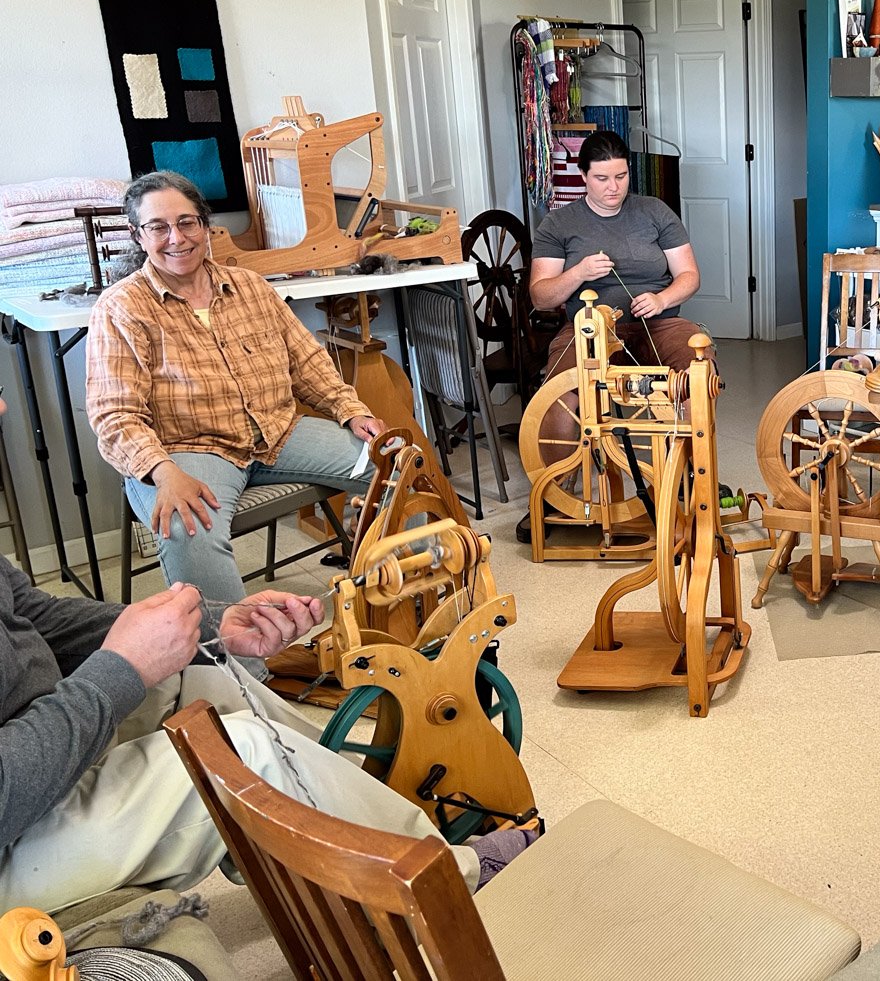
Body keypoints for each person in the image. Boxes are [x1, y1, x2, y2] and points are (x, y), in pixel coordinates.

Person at [0, 391, 525, 913]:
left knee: (201, 678)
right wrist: (120, 668)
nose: (3, 408)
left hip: (40, 744)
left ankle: (362, 819)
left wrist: (211, 625)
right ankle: (451, 880)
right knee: (246, 755)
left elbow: (33, 617)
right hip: (14, 827)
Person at [86, 172, 386, 608]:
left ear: (205, 226)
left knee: (396, 461)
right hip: (187, 450)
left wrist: (351, 411)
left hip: (278, 433)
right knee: (188, 528)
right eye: (158, 227)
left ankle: (407, 608)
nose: (177, 238)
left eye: (187, 222)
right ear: (138, 235)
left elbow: (306, 362)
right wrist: (163, 472)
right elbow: (114, 414)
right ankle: (238, 671)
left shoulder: (250, 286)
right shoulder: (121, 308)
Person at [526, 131, 705, 495]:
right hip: (588, 328)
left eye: (621, 177)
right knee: (561, 396)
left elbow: (689, 275)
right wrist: (578, 273)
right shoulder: (559, 224)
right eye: (602, 179)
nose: (613, 188)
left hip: (658, 323)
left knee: (696, 377)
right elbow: (541, 296)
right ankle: (554, 494)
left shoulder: (654, 211)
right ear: (583, 177)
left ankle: (691, 478)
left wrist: (662, 299)